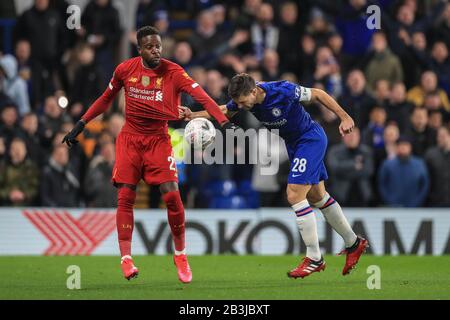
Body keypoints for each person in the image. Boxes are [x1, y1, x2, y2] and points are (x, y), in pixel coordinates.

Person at [62, 26, 235, 283]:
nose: (156, 50)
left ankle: (180, 254)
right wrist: (82, 123)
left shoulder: (174, 72)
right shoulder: (125, 70)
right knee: (125, 197)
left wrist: (222, 121)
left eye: (159, 46)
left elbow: (202, 96)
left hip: (158, 141)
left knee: (173, 196)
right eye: (150, 46)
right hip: (130, 141)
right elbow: (106, 98)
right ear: (140, 49)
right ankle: (126, 258)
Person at [183, 73, 368, 278]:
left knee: (294, 194)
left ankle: (314, 258)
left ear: (254, 92)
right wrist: (194, 115)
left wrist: (344, 116)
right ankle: (354, 243)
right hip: (294, 145)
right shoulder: (244, 100)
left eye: (243, 102)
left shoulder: (282, 90)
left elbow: (318, 94)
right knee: (317, 197)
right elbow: (226, 110)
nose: (242, 106)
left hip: (310, 139)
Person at [378, 136, 429, 207]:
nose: (403, 148)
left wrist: (417, 201)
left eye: (405, 145)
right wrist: (389, 201)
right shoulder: (387, 164)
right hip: (393, 206)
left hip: (414, 206)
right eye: (400, 145)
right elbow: (382, 184)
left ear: (410, 147)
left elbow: (424, 185)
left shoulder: (419, 164)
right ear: (396, 147)